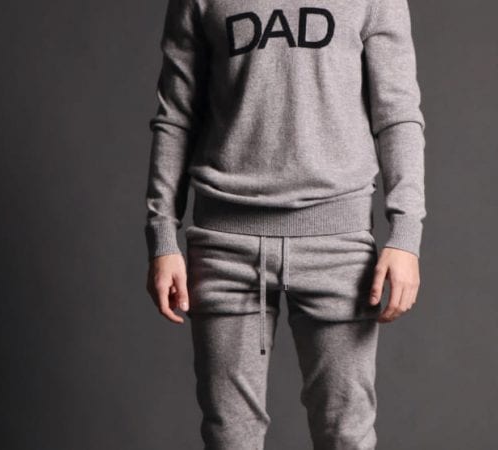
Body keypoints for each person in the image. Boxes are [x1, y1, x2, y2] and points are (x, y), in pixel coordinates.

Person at [144, 0, 426, 448]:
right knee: (230, 437)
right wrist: (163, 236)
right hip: (224, 244)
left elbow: (398, 115)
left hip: (338, 243)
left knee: (345, 436)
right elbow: (176, 117)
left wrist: (406, 235)